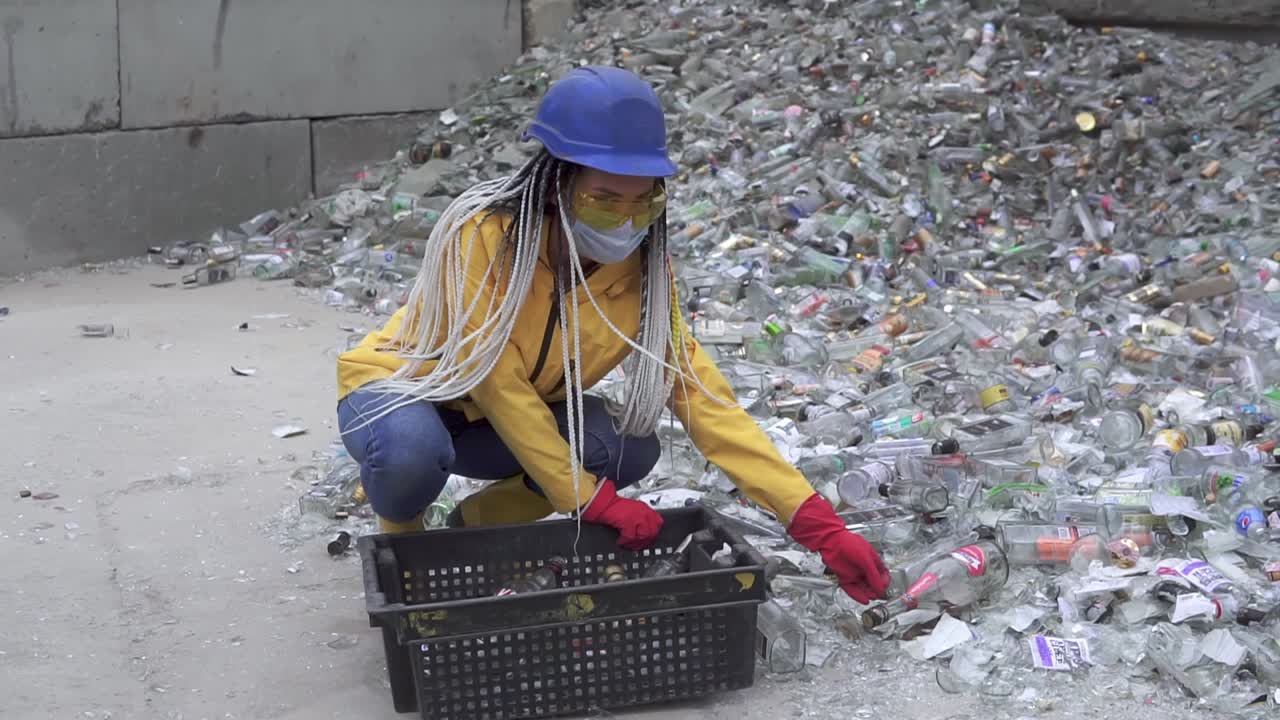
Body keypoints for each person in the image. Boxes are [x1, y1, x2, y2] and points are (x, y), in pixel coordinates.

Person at [335, 66, 890, 603]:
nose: (625, 221)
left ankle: (469, 531)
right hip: (409, 392)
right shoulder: (485, 237)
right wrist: (588, 501)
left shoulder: (645, 275)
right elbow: (498, 381)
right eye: (603, 200)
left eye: (643, 199)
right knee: (411, 452)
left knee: (626, 446)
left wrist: (817, 525)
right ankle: (403, 544)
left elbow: (703, 397)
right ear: (557, 183)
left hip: (499, 423)